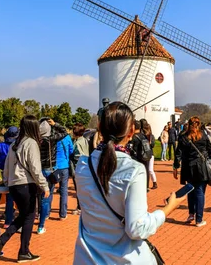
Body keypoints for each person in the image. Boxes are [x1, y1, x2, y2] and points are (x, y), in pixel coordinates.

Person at [74, 102, 185, 264]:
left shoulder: (83, 166)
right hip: (124, 259)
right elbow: (137, 229)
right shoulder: (134, 170)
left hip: (87, 258)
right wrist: (168, 209)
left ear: (99, 126)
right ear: (131, 130)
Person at [0, 115, 50, 263]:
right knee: (29, 216)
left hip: (14, 185)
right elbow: (35, 168)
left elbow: (6, 167)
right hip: (26, 184)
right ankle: (24, 251)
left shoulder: (14, 144)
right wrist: (44, 185)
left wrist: (7, 181)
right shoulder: (31, 143)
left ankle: (1, 242)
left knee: (23, 216)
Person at [173, 116, 211, 227]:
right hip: (201, 166)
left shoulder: (183, 136)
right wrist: (207, 157)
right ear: (199, 124)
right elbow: (210, 149)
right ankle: (199, 219)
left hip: (188, 166)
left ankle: (191, 214)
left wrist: (175, 166)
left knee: (190, 190)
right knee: (200, 192)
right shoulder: (203, 135)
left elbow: (178, 153)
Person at [37, 118, 68, 234]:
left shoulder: (36, 140)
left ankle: (41, 214)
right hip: (49, 170)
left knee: (39, 196)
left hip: (39, 170)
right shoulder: (51, 139)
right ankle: (41, 224)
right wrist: (55, 124)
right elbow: (64, 132)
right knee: (46, 196)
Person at [0, 126, 19, 228]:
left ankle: (8, 215)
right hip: (16, 172)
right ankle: (9, 219)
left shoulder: (0, 146)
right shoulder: (17, 146)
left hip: (3, 172)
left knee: (8, 194)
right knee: (14, 195)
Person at [54, 124, 74, 220]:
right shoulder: (67, 138)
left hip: (53, 167)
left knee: (49, 190)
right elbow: (71, 150)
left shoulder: (52, 138)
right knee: (63, 190)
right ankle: (62, 214)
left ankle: (45, 214)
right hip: (64, 166)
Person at [71, 123, 89, 215]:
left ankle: (79, 207)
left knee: (78, 189)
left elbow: (75, 155)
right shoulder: (84, 140)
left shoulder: (76, 143)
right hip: (86, 167)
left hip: (78, 168)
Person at [141, 119, 158, 189]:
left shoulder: (151, 136)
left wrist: (150, 142)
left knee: (150, 169)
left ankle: (155, 182)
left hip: (150, 154)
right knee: (145, 170)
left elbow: (153, 145)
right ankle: (145, 184)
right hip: (144, 154)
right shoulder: (143, 136)